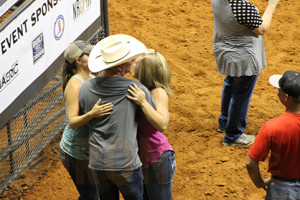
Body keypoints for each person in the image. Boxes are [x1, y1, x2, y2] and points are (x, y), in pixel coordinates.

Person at [78, 34, 156, 200]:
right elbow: (151, 120)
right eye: (129, 60)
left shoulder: (85, 89)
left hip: (98, 162)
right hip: (125, 163)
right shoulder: (136, 89)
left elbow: (85, 121)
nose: (131, 63)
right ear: (120, 66)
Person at [211, 0, 279, 146]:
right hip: (243, 58)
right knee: (240, 96)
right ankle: (233, 136)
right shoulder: (241, 6)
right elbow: (262, 28)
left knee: (230, 84)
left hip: (226, 51)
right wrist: (271, 5)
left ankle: (225, 122)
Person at [59, 40, 113, 200]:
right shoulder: (75, 85)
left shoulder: (90, 76)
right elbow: (73, 121)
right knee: (90, 194)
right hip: (75, 152)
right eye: (88, 54)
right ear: (78, 60)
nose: (92, 56)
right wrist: (92, 114)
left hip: (87, 149)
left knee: (95, 191)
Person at [127, 49, 176, 200]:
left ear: (146, 70)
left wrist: (142, 102)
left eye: (137, 62)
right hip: (145, 158)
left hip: (157, 158)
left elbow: (162, 124)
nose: (133, 65)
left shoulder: (158, 92)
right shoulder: (143, 89)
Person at [246, 71, 300, 199]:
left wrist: (260, 182)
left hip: (282, 189)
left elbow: (250, 162)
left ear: (286, 97)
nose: (277, 92)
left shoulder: (272, 127)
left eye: (279, 90)